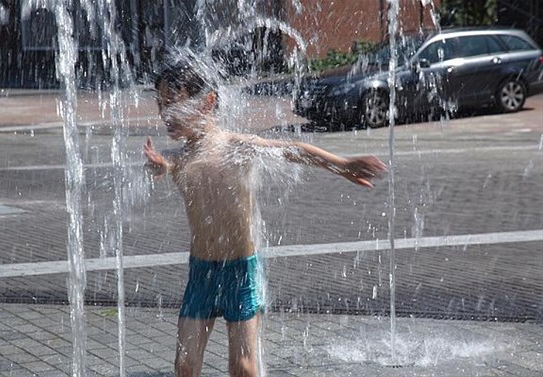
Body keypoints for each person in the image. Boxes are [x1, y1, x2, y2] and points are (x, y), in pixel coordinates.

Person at [143, 60, 387, 377]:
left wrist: (343, 164)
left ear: (208, 101)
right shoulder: (177, 157)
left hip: (240, 271)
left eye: (173, 103)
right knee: (185, 366)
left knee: (243, 367)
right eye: (161, 105)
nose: (165, 115)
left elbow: (293, 150)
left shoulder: (236, 147)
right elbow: (166, 166)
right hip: (201, 272)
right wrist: (159, 167)